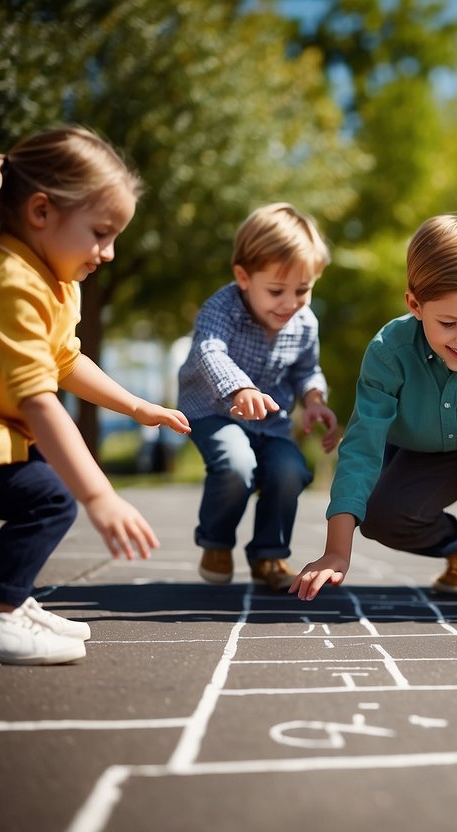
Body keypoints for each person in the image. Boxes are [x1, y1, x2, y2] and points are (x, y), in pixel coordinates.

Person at [0, 126, 191, 665]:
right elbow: (39, 399)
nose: (108, 253)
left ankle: (8, 599)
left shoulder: (52, 280)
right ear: (41, 213)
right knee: (53, 497)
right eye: (100, 233)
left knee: (49, 487)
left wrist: (136, 407)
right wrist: (100, 496)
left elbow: (65, 360)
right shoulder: (9, 282)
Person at [290, 215, 457, 608]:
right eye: (448, 322)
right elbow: (362, 448)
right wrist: (336, 551)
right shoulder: (389, 351)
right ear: (415, 304)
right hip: (420, 450)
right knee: (381, 517)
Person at [176, 203, 340, 592]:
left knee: (289, 470)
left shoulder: (303, 322)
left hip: (271, 422)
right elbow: (209, 351)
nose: (290, 302)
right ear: (243, 277)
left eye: (303, 290)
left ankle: (269, 553)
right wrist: (241, 387)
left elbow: (305, 370)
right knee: (236, 465)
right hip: (215, 411)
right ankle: (216, 543)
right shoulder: (222, 308)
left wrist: (314, 399)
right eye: (276, 290)